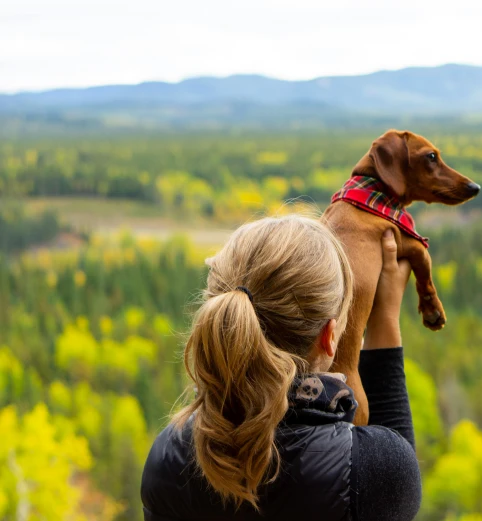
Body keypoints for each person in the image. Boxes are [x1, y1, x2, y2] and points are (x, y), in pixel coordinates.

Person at [141, 215, 421, 521]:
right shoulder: (371, 472)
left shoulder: (168, 457)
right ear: (329, 337)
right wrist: (385, 318)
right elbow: (395, 471)